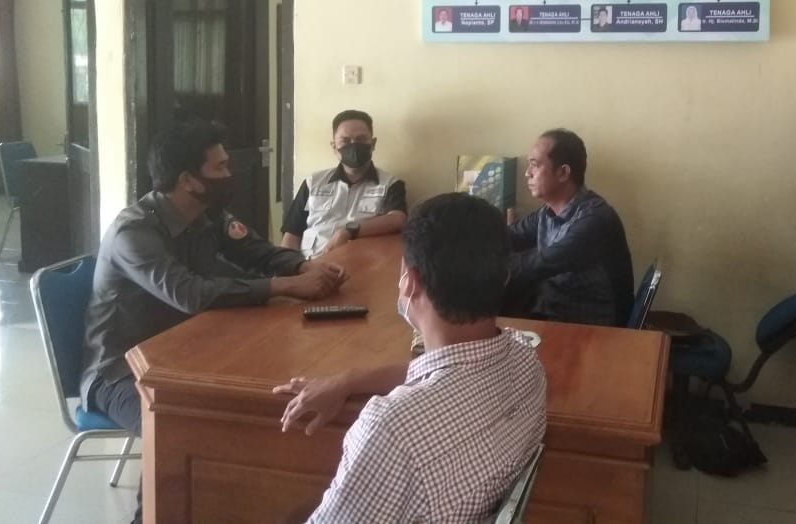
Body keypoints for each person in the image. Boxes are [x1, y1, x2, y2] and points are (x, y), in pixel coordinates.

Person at [80, 120, 345, 524]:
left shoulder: (207, 215)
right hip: (119, 371)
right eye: (220, 167)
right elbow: (190, 294)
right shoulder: (134, 232)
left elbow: (257, 251)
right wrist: (284, 286)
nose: (229, 174)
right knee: (178, 427)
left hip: (185, 352)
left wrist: (304, 266)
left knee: (263, 400)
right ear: (188, 180)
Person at [273, 193, 546, 523]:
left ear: (410, 282)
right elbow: (452, 368)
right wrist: (348, 381)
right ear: (504, 276)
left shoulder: (392, 430)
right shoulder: (526, 362)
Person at [505, 129, 634, 326]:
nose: (527, 173)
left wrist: (486, 267)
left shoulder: (596, 219)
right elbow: (509, 235)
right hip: (554, 313)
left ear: (563, 173)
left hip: (591, 328)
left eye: (535, 165)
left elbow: (542, 262)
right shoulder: (546, 213)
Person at [281, 110, 407, 257]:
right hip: (310, 263)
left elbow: (397, 219)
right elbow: (291, 234)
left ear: (373, 144)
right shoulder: (312, 183)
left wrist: (349, 231)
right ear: (334, 147)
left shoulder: (390, 184)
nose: (353, 145)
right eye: (345, 141)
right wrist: (289, 266)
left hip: (360, 264)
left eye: (361, 139)